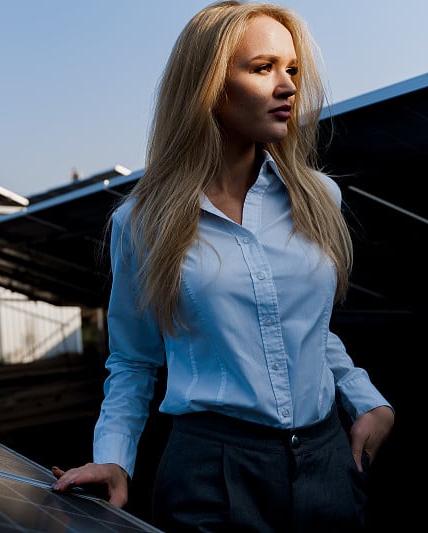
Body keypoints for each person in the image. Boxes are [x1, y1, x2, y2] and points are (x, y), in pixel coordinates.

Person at [50, 1, 395, 531]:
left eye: (293, 69)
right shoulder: (143, 221)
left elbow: (310, 330)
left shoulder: (319, 197)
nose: (288, 86)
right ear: (209, 84)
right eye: (263, 68)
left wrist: (367, 401)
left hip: (327, 461)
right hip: (211, 472)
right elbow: (134, 361)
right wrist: (115, 458)